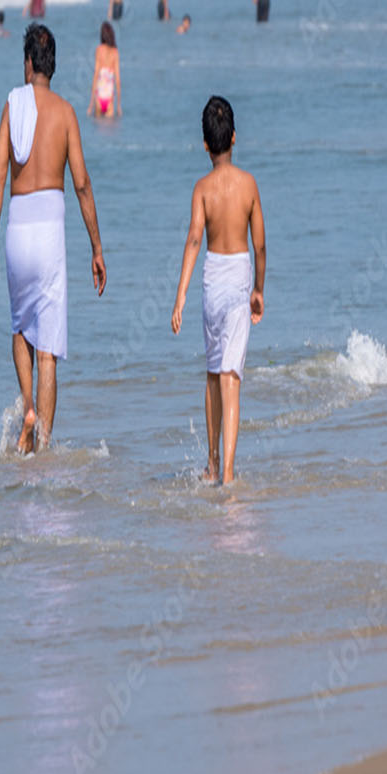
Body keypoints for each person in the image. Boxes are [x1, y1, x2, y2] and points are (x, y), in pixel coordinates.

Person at [0, 25, 106, 454]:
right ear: (51, 65)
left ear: (29, 63)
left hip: (18, 229)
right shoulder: (67, 113)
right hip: (52, 234)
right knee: (48, 349)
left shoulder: (12, 106)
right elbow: (83, 184)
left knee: (20, 328)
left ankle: (29, 407)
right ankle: (44, 446)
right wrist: (96, 246)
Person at [170, 96, 265, 486]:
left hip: (211, 282)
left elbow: (194, 240)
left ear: (206, 144)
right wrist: (259, 288)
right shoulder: (248, 185)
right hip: (240, 276)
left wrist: (180, 296)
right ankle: (227, 471)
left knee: (212, 374)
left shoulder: (202, 188)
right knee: (231, 378)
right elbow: (260, 244)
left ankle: (211, 465)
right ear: (235, 138)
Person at [88, 21, 121, 119]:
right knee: (110, 131)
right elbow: (118, 80)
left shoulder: (99, 50)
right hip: (109, 97)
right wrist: (119, 105)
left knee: (97, 129)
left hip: (99, 96)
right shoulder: (115, 52)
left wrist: (91, 104)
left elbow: (96, 75)